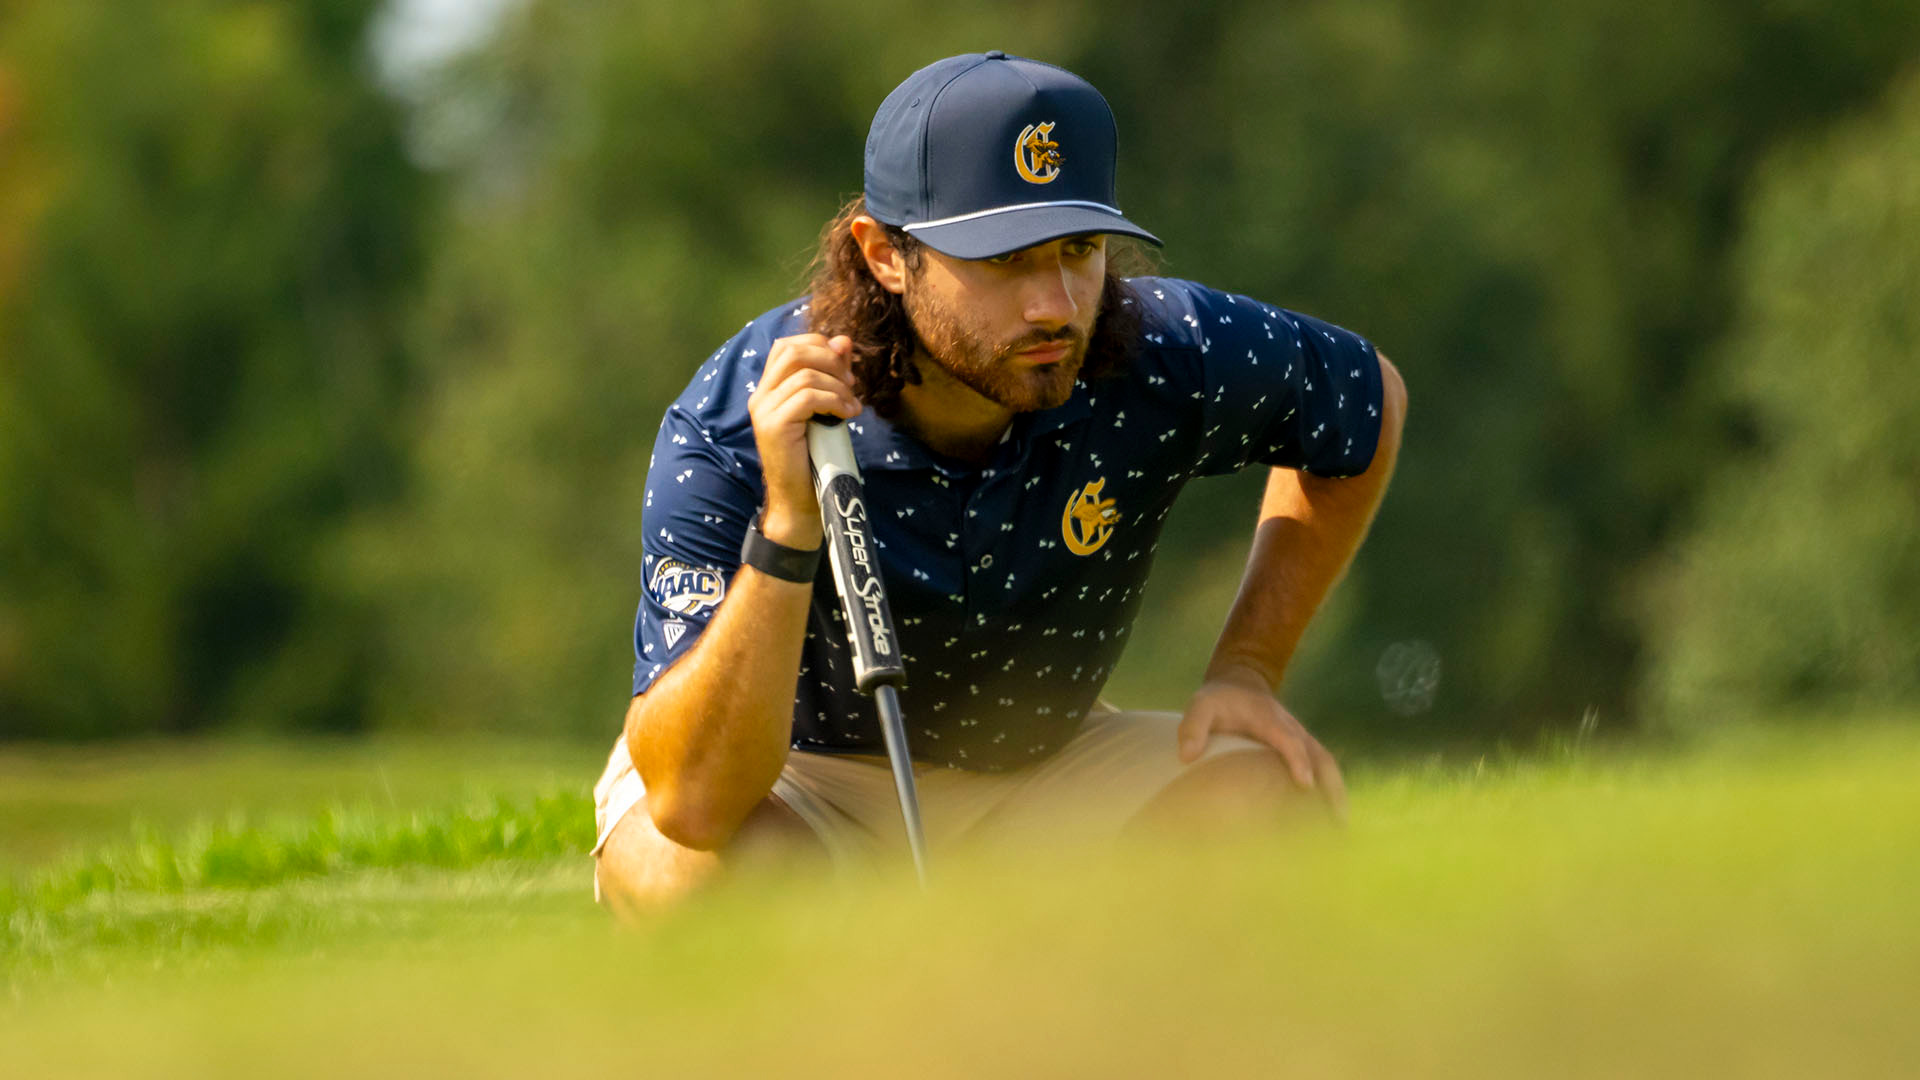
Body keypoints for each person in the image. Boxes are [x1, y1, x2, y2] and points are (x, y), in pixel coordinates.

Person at [592, 51, 1406, 915]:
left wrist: (1246, 668)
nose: (1055, 304)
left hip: (1050, 764)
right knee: (704, 887)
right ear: (884, 255)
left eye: (1080, 249)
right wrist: (790, 524)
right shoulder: (738, 419)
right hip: (797, 780)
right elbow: (697, 800)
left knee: (1274, 809)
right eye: (1005, 259)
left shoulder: (1162, 350)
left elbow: (1366, 401)